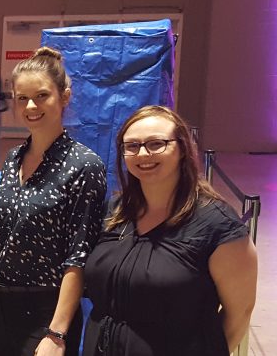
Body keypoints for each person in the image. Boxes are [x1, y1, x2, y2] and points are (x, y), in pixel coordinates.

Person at [0, 47, 107, 356]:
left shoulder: (84, 166)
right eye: (21, 98)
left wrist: (56, 333)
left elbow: (78, 257)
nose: (30, 106)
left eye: (41, 96)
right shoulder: (13, 159)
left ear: (64, 96)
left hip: (46, 313)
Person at [82, 106, 257, 355]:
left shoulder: (217, 226)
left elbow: (239, 315)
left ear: (183, 148)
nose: (143, 153)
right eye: (132, 146)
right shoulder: (115, 212)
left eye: (156, 143)